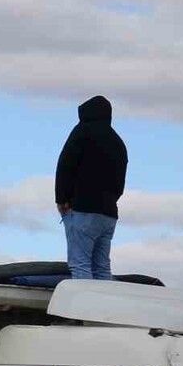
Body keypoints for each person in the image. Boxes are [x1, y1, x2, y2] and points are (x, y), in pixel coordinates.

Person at [56, 95, 127, 280]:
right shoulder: (118, 143)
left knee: (80, 265)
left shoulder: (82, 132)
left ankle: (83, 309)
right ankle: (104, 308)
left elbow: (65, 165)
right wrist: (109, 200)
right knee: (102, 268)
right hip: (109, 214)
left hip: (82, 210)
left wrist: (61, 199)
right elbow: (120, 184)